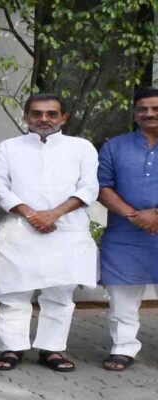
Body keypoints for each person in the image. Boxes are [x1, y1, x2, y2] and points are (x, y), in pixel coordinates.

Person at [0, 93, 99, 372]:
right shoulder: (8, 147)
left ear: (64, 117)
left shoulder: (81, 147)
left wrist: (53, 214)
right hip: (17, 231)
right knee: (14, 293)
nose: (44, 119)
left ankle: (52, 349)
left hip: (66, 231)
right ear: (26, 116)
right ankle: (11, 348)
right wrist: (31, 214)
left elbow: (88, 188)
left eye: (51, 114)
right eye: (36, 113)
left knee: (59, 295)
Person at [98, 87, 158, 371]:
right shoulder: (115, 146)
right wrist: (134, 216)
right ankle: (123, 348)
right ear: (134, 113)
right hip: (124, 234)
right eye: (142, 109)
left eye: (155, 108)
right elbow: (102, 186)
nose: (149, 113)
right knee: (122, 296)